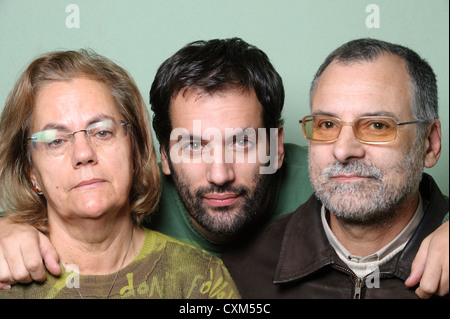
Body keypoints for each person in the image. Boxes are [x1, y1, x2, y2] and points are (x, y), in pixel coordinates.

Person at [0, 38, 448, 298]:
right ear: (162, 156)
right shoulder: (126, 199)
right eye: (193, 145)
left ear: (275, 148)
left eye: (242, 143)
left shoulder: (328, 173)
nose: (219, 174)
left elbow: (392, 184)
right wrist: (9, 228)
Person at [0, 49, 239, 299]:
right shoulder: (7, 278)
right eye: (56, 141)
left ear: (134, 150)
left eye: (102, 132)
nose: (83, 154)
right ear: (31, 173)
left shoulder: (199, 280)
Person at [222, 38, 449, 299]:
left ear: (429, 144)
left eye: (377, 125)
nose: (343, 150)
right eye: (327, 125)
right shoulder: (242, 272)